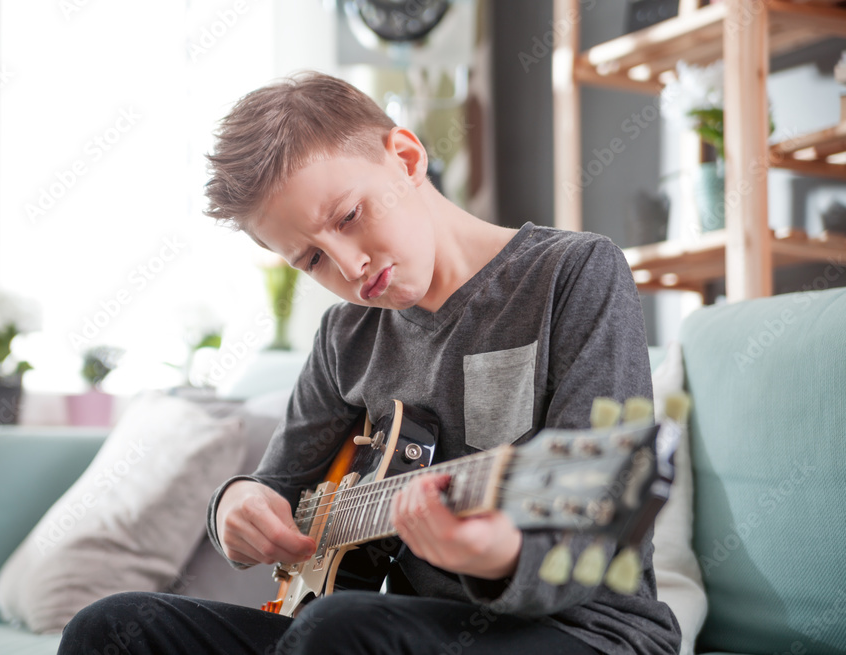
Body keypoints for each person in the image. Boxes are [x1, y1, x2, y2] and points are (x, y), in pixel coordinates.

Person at [58, 71, 681, 655]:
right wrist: (235, 507)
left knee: (338, 628)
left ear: (407, 159)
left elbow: (597, 534)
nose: (350, 266)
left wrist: (499, 554)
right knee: (108, 628)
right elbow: (278, 489)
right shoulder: (345, 336)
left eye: (349, 217)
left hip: (585, 631)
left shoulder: (573, 274)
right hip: (396, 635)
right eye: (311, 260)